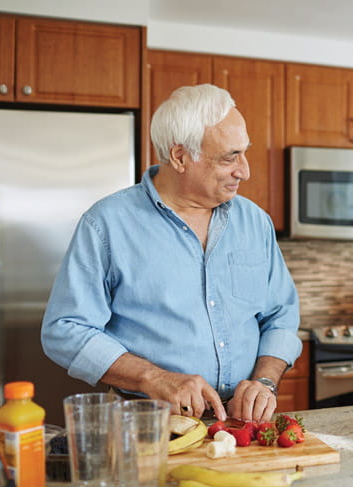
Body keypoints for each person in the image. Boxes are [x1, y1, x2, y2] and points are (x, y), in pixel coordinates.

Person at [41, 84, 301, 422]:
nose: (245, 170)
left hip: (242, 422)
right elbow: (65, 328)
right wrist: (153, 378)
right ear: (180, 157)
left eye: (244, 152)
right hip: (147, 423)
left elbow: (280, 316)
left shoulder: (255, 222)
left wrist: (264, 380)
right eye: (229, 157)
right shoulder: (107, 223)